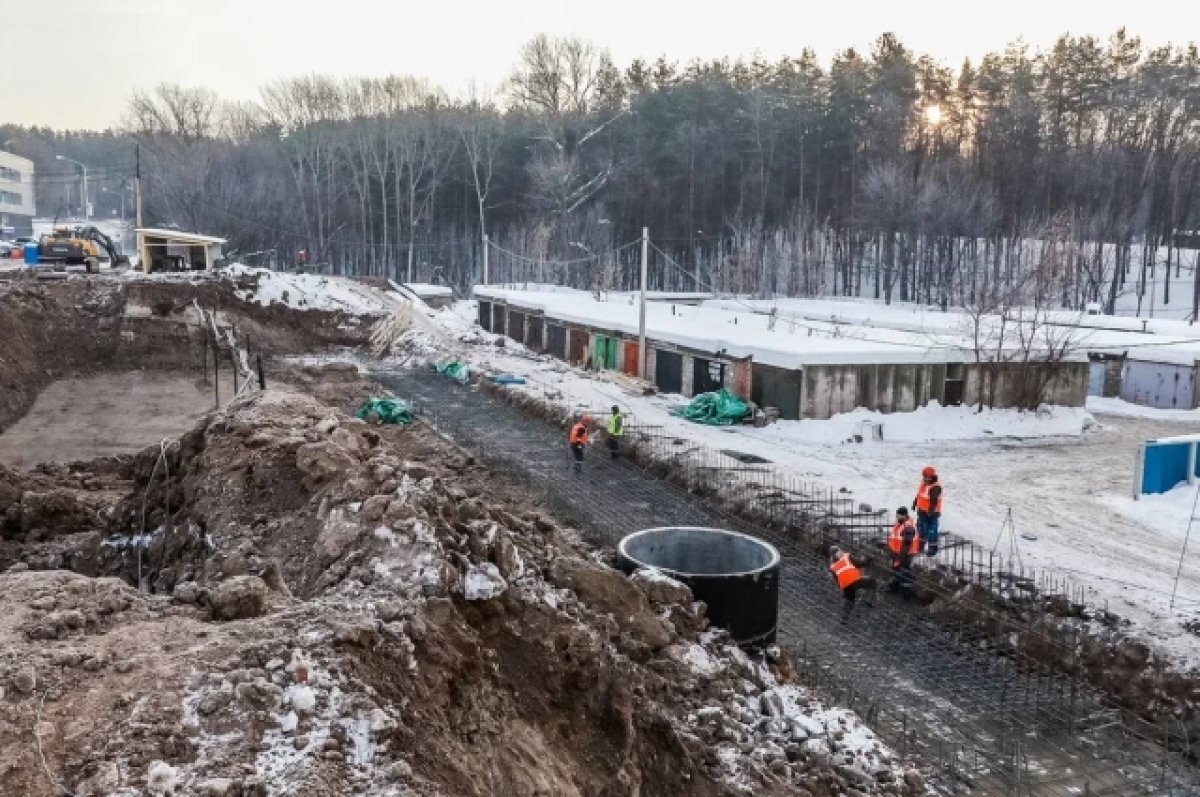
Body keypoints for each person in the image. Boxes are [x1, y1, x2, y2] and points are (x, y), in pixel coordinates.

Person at [829, 545, 875, 624]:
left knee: (849, 601)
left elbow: (837, 580)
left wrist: (843, 588)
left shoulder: (832, 566)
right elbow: (860, 563)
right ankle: (868, 600)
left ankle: (844, 619)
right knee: (872, 582)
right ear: (839, 550)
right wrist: (868, 559)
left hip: (845, 585)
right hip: (855, 581)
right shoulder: (846, 557)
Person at [887, 507, 919, 599]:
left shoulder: (908, 527)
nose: (897, 517)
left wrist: (898, 560)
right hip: (897, 553)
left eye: (899, 515)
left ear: (904, 515)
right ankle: (895, 588)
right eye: (897, 515)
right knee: (897, 571)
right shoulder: (899, 524)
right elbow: (894, 538)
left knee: (905, 573)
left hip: (905, 555)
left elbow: (906, 545)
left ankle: (906, 594)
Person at [912, 465, 943, 556]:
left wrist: (931, 511)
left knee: (932, 530)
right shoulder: (924, 484)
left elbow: (934, 501)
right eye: (924, 476)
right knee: (922, 528)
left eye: (926, 477)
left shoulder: (936, 487)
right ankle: (920, 545)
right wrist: (914, 503)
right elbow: (919, 495)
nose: (924, 478)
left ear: (931, 477)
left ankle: (932, 548)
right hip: (922, 510)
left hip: (932, 513)